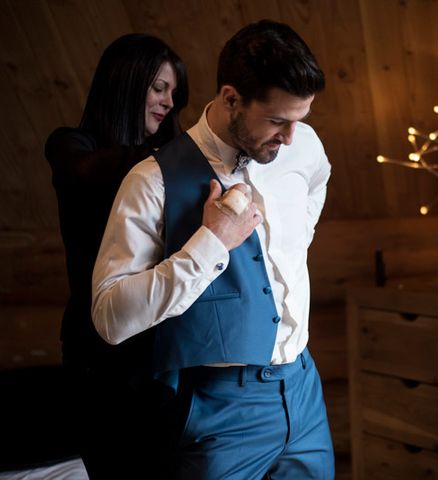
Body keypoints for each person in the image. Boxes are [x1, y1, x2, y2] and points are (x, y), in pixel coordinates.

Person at [91, 20, 334, 479]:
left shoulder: (302, 146)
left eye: (298, 121)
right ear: (230, 98)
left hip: (304, 391)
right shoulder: (151, 180)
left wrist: (292, 240)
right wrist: (211, 244)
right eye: (277, 120)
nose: (289, 139)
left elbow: (317, 179)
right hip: (221, 413)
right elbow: (109, 317)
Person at [44, 33, 188, 478]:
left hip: (162, 346)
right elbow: (87, 174)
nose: (168, 101)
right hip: (98, 351)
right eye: (159, 88)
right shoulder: (71, 146)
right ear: (126, 82)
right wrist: (170, 154)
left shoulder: (169, 153)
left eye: (173, 93)